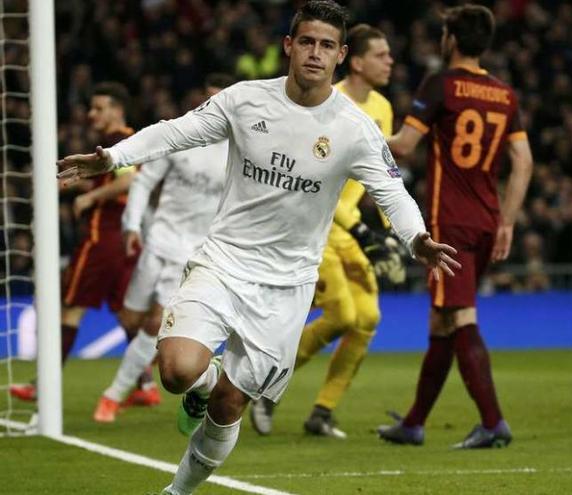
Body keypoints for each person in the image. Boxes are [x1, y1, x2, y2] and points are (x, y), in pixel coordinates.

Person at [56, 2, 459, 494]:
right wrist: (114, 158)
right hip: (223, 261)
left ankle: (176, 490)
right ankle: (203, 383)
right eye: (306, 41)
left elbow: (392, 192)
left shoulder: (354, 128)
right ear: (289, 46)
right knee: (178, 371)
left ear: (341, 56)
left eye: (327, 45)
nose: (315, 53)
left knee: (230, 406)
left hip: (287, 286)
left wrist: (415, 236)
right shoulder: (244, 100)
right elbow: (177, 131)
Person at [377, 4, 534, 449]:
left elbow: (405, 146)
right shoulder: (504, 94)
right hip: (486, 221)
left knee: (459, 317)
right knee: (442, 322)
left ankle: (492, 422)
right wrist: (507, 220)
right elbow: (523, 162)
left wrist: (361, 139)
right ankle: (413, 423)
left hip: (452, 225)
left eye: (444, 31)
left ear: (451, 38)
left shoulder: (441, 85)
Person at [249, 23, 402, 438]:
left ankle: (322, 411)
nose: (389, 62)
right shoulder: (325, 107)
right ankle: (262, 388)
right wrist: (366, 232)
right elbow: (309, 180)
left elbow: (382, 175)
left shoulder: (383, 108)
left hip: (352, 231)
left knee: (367, 318)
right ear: (355, 60)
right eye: (381, 55)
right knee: (342, 315)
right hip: (319, 231)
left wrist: (392, 230)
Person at [92, 74, 236, 423]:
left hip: (193, 252)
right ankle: (157, 380)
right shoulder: (185, 137)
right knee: (131, 318)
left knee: (156, 321)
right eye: (209, 99)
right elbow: (143, 183)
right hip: (156, 241)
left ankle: (113, 395)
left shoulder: (238, 150)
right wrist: (131, 225)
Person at [11, 82, 153, 403]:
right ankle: (145, 385)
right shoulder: (118, 143)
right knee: (124, 314)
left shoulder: (121, 141)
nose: (92, 114)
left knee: (70, 308)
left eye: (99, 108)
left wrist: (90, 198)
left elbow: (128, 180)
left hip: (101, 236)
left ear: (117, 110)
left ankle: (41, 385)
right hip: (124, 239)